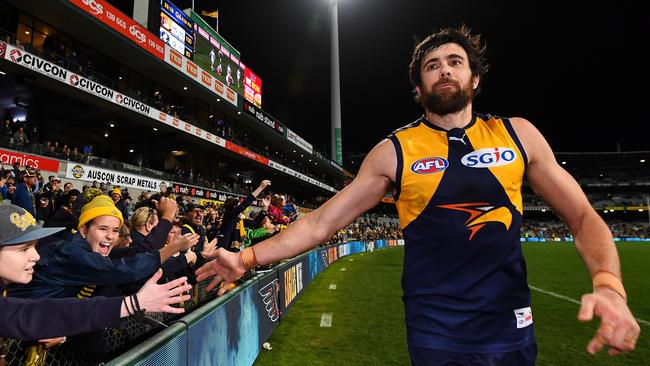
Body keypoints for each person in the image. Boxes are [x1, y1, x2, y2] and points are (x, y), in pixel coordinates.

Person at [196, 25, 640, 364]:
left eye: (455, 61)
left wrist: (610, 288)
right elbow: (320, 223)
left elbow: (583, 217)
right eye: (432, 65)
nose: (444, 69)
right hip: (435, 331)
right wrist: (247, 259)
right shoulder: (394, 151)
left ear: (475, 78)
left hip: (511, 326)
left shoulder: (517, 134)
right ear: (418, 88)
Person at [0, 203, 192, 341]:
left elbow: (133, 256)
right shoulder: (69, 253)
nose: (36, 256)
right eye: (24, 249)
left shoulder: (87, 253)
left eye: (116, 230)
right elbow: (33, 315)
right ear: (83, 230)